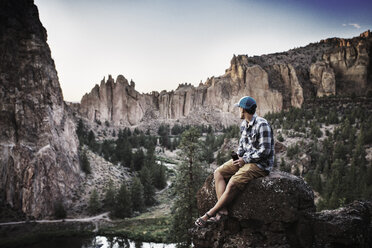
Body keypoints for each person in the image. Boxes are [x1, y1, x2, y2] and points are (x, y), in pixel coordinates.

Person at [195, 96, 274, 227]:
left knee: (233, 182)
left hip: (260, 165)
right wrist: (237, 157)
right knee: (218, 172)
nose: (238, 110)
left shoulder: (262, 124)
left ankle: (210, 213)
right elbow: (242, 147)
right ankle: (223, 210)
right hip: (245, 161)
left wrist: (245, 160)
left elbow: (265, 151)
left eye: (239, 108)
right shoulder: (244, 125)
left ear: (244, 110)